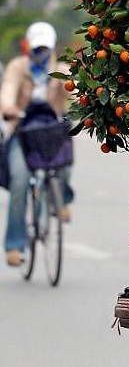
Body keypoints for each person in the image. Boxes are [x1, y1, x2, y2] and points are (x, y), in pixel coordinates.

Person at [0, 21, 72, 266]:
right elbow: (8, 90)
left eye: (45, 48)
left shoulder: (60, 68)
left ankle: (61, 199)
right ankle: (14, 245)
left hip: (51, 132)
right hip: (23, 132)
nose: (40, 53)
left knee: (65, 162)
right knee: (20, 180)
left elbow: (74, 89)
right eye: (36, 48)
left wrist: (75, 89)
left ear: (52, 48)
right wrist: (8, 108)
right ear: (28, 47)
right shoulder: (18, 67)